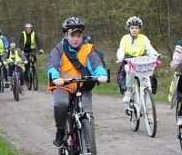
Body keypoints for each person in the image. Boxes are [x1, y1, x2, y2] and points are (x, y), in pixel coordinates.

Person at [47, 17, 108, 147]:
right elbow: (53, 65)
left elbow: (96, 63)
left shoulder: (88, 49)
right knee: (61, 104)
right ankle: (60, 132)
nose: (76, 39)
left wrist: (101, 74)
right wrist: (55, 77)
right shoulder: (58, 49)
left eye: (79, 35)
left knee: (88, 115)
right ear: (66, 35)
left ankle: (91, 152)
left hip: (82, 85)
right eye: (72, 35)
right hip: (63, 85)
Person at [116, 16, 159, 104]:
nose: (134, 30)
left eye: (136, 28)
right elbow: (121, 49)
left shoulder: (144, 38)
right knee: (130, 70)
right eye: (132, 28)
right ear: (129, 28)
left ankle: (148, 95)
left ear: (139, 29)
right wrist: (120, 57)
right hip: (128, 61)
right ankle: (128, 90)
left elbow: (149, 48)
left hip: (141, 62)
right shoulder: (125, 38)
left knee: (149, 74)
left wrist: (156, 55)